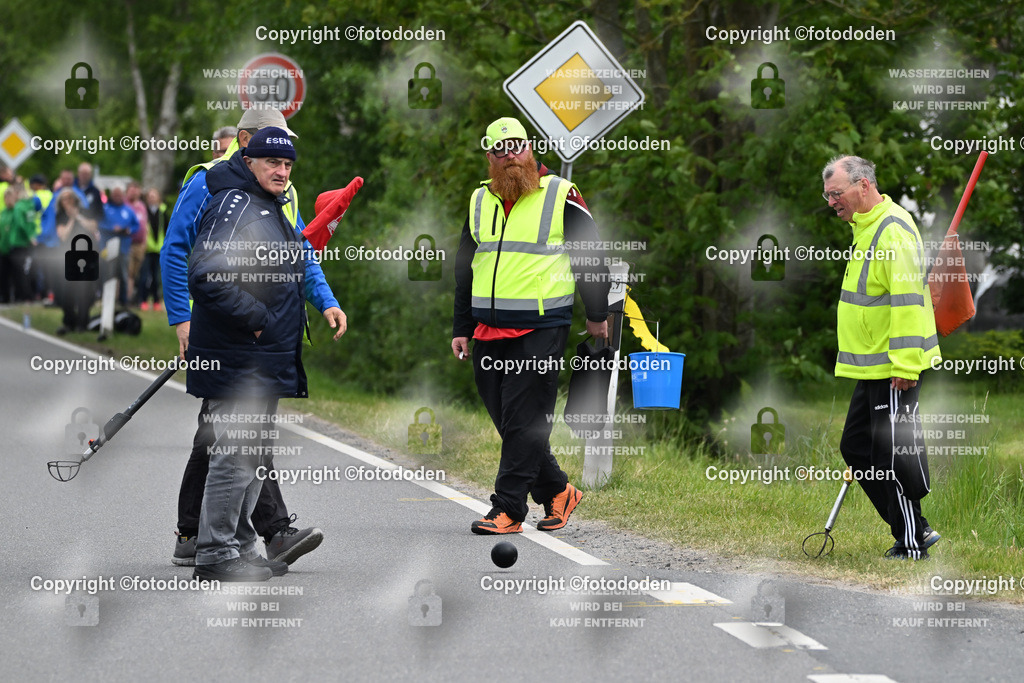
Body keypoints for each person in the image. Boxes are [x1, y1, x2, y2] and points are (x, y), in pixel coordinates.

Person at [161, 107, 344, 567]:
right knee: (234, 444)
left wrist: (325, 301)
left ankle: (212, 539)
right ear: (247, 146)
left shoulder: (276, 192)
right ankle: (230, 543)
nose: (282, 167)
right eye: (273, 154)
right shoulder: (214, 186)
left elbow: (298, 253)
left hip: (264, 347)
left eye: (288, 159)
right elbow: (180, 254)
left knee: (230, 440)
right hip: (235, 342)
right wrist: (181, 319)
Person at [452, 117, 611, 535]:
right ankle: (558, 490)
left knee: (524, 419)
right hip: (488, 328)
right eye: (499, 150)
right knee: (507, 419)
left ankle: (508, 510)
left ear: (531, 149)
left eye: (516, 147)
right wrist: (461, 326)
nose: (509, 157)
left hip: (542, 327)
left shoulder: (561, 194)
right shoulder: (480, 199)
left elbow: (590, 257)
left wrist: (596, 315)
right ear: (489, 157)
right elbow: (465, 267)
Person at [823, 154, 942, 560]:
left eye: (836, 194)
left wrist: (907, 366)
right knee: (857, 448)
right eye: (827, 197)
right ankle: (915, 530)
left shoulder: (891, 231)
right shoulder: (866, 227)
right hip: (872, 366)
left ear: (863, 186)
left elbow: (908, 304)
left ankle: (912, 543)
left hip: (894, 367)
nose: (832, 202)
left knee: (892, 454)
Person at [54, 191, 99, 334]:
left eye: (69, 199)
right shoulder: (60, 216)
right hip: (68, 257)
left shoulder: (85, 211)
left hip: (87, 255)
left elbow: (92, 227)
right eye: (63, 200)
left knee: (85, 291)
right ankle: (69, 321)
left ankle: (82, 322)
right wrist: (71, 219)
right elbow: (63, 235)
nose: (66, 202)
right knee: (67, 291)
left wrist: (77, 216)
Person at [100, 185, 140, 307]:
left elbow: (136, 225)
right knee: (109, 273)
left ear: (123, 195)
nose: (117, 197)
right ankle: (107, 299)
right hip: (109, 246)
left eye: (119, 194)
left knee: (123, 274)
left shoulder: (128, 210)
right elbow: (99, 224)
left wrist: (129, 230)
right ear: (111, 195)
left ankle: (123, 300)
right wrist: (112, 229)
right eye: (115, 194)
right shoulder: (105, 208)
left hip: (124, 247)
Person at [0, 185, 37, 303]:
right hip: (5, 246)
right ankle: (8, 297)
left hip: (16, 244)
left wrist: (30, 236)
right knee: (7, 274)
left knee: (20, 272)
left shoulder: (18, 209)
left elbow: (22, 224)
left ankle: (24, 296)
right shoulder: (4, 212)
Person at [138, 187, 166, 310]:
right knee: (144, 276)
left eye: (154, 196)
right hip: (147, 249)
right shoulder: (143, 211)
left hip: (159, 249)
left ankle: (156, 301)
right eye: (150, 196)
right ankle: (143, 300)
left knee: (156, 277)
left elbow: (166, 229)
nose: (152, 198)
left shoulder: (163, 211)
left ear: (158, 198)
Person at [126, 181, 149, 306]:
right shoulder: (124, 205)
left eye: (136, 189)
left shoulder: (141, 206)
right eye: (131, 189)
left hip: (140, 245)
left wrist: (144, 242)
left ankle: (131, 297)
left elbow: (145, 226)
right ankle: (126, 299)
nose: (134, 191)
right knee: (128, 273)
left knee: (134, 274)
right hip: (127, 244)